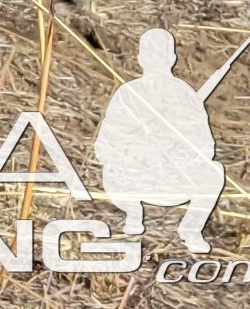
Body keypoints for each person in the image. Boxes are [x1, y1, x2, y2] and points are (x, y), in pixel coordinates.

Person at [94, 26, 229, 252]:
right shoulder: (127, 93)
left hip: (172, 180)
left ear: (171, 58)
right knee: (110, 170)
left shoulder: (185, 95)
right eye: (150, 54)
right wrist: (134, 153)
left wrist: (178, 152)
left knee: (213, 172)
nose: (155, 60)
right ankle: (133, 213)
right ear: (141, 58)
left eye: (161, 54)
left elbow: (206, 147)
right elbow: (104, 145)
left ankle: (191, 229)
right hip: (133, 180)